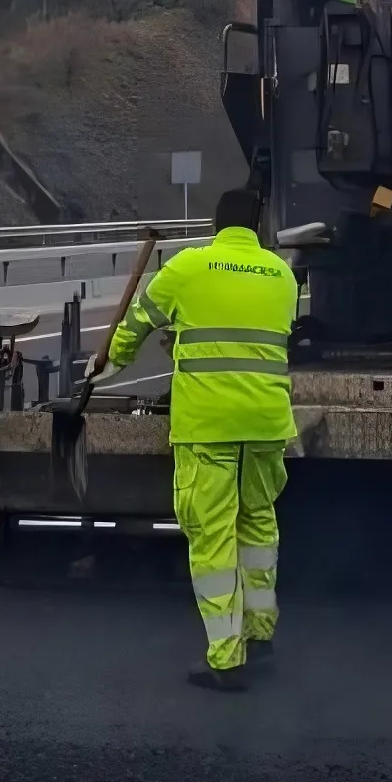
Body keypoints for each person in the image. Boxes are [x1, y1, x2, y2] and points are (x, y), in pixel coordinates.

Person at [103, 188, 299, 691]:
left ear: (217, 224)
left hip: (208, 424)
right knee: (258, 525)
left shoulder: (190, 266)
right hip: (265, 422)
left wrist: (111, 360)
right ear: (259, 224)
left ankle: (225, 658)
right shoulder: (281, 274)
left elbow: (139, 321)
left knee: (212, 536)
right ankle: (260, 634)